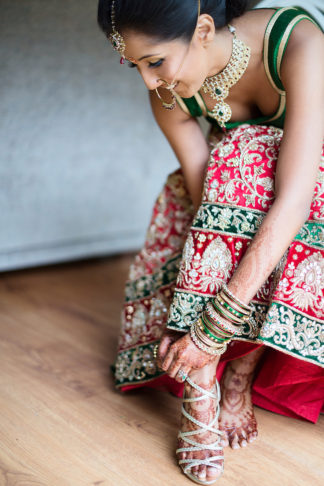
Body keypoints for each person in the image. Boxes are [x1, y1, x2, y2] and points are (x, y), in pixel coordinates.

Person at [97, 1, 324, 484]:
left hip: (311, 196)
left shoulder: (302, 45)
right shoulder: (166, 94)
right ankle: (203, 386)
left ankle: (237, 375)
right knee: (232, 163)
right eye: (132, 64)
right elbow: (208, 208)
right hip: (239, 202)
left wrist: (215, 328)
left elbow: (296, 200)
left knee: (246, 155)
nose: (148, 82)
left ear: (203, 29)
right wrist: (192, 303)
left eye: (154, 61)